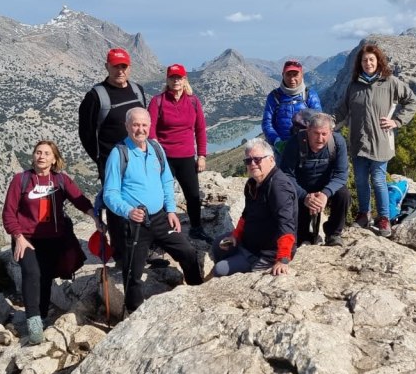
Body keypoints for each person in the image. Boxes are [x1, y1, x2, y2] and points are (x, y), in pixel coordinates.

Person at [103, 107, 203, 314]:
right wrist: (128, 211)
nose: (140, 129)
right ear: (127, 126)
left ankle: (198, 295)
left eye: (144, 125)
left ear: (150, 126)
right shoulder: (119, 153)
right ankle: (133, 313)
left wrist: (171, 210)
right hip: (135, 222)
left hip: (159, 218)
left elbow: (166, 180)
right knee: (133, 272)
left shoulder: (156, 149)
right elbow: (109, 193)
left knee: (188, 252)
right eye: (135, 125)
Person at [2, 140, 96, 344]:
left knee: (45, 277)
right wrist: (17, 237)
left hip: (53, 239)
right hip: (26, 238)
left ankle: (42, 314)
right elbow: (9, 213)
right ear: (33, 156)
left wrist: (95, 217)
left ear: (54, 159)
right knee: (32, 273)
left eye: (46, 153)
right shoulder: (21, 180)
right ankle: (33, 321)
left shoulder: (60, 180)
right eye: (38, 152)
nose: (41, 156)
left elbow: (79, 199)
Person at [335, 43, 416, 238]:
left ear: (378, 61)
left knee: (379, 180)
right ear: (360, 63)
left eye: (371, 59)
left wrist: (397, 121)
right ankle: (364, 215)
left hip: (381, 141)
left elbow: (412, 101)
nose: (368, 63)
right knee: (361, 181)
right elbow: (342, 110)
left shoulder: (390, 82)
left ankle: (384, 218)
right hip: (358, 141)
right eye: (364, 60)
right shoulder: (354, 85)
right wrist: (328, 125)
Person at [78, 47, 147, 249]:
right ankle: (119, 249)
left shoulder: (137, 90)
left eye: (123, 66)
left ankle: (142, 243)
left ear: (129, 68)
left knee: (140, 197)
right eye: (115, 66)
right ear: (107, 66)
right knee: (116, 205)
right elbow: (86, 133)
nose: (120, 71)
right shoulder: (96, 96)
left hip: (138, 157)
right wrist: (101, 159)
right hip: (111, 162)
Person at [212, 139, 297, 277]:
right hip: (248, 243)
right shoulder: (252, 184)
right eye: (248, 161)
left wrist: (283, 259)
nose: (252, 164)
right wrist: (236, 235)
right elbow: (247, 214)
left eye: (257, 160)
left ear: (271, 159)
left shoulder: (278, 187)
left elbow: (286, 224)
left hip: (265, 253)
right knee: (217, 245)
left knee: (219, 270)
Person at [147, 64, 211, 242]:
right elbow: (150, 131)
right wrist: (157, 154)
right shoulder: (157, 101)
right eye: (172, 77)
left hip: (186, 157)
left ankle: (196, 228)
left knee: (193, 195)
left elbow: (200, 130)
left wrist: (202, 156)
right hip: (164, 158)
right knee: (160, 196)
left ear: (185, 80)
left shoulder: (193, 101)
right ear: (167, 80)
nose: (176, 81)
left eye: (179, 77)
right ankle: (158, 234)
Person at [280, 111, 351, 247]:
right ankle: (303, 237)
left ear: (331, 132)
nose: (320, 138)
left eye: (324, 134)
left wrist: (325, 194)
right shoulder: (295, 143)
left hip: (326, 185)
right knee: (291, 198)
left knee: (343, 195)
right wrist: (304, 196)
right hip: (302, 186)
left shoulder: (337, 142)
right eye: (316, 133)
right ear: (308, 130)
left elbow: (341, 174)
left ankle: (333, 234)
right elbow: (286, 175)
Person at [262, 60, 322, 152]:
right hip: (281, 150)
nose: (292, 79)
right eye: (288, 75)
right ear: (283, 75)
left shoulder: (310, 95)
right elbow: (267, 123)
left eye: (295, 75)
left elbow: (319, 121)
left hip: (306, 148)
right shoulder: (274, 96)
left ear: (302, 75)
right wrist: (277, 141)